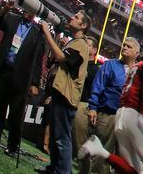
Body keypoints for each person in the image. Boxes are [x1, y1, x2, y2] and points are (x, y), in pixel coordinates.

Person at [79, 37, 143, 174]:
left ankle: (101, 151)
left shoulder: (135, 67)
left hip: (121, 114)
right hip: (133, 115)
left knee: (132, 169)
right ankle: (100, 151)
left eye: (129, 46)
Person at [0, 0, 48, 156]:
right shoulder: (12, 19)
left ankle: (12, 147)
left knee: (15, 113)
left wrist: (35, 82)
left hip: (21, 77)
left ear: (35, 14)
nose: (28, 13)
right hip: (4, 69)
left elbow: (37, 60)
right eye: (26, 9)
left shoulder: (37, 34)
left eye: (32, 11)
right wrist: (5, 9)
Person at [41, 10, 93, 174]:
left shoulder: (81, 44)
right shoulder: (74, 42)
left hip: (67, 96)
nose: (72, 17)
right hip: (61, 93)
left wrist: (46, 33)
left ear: (83, 25)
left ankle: (62, 171)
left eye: (76, 17)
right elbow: (54, 60)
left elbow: (62, 57)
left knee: (62, 137)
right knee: (57, 134)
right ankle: (54, 168)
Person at [82, 38, 140, 174]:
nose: (124, 47)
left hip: (127, 119)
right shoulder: (110, 65)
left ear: (136, 53)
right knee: (102, 151)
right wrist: (93, 107)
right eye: (124, 45)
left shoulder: (138, 71)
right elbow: (98, 86)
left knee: (122, 157)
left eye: (129, 47)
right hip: (109, 114)